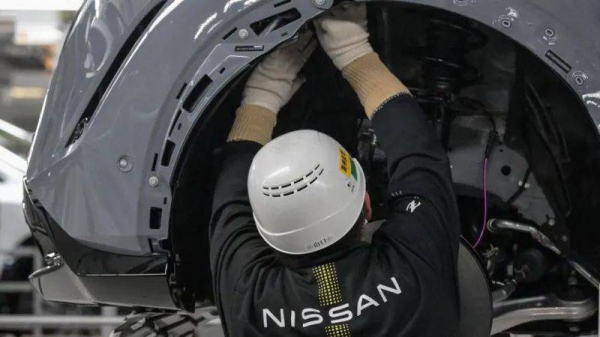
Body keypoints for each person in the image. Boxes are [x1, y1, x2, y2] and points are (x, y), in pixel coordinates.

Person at [209, 3, 460, 336]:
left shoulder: (249, 297)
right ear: (367, 203)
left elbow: (421, 159)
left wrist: (266, 90)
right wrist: (350, 49)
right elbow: (420, 155)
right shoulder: (414, 270)